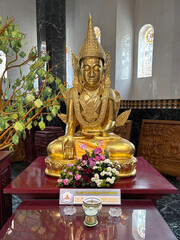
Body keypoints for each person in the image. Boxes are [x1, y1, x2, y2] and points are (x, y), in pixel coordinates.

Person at [45, 14, 136, 177]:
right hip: (80, 138)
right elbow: (71, 122)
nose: (92, 73)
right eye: (87, 68)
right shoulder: (73, 93)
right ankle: (94, 159)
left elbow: (111, 122)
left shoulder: (109, 93)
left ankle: (87, 160)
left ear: (103, 71)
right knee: (54, 148)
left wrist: (99, 132)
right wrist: (68, 136)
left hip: (102, 138)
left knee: (126, 148)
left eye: (96, 68)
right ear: (80, 71)